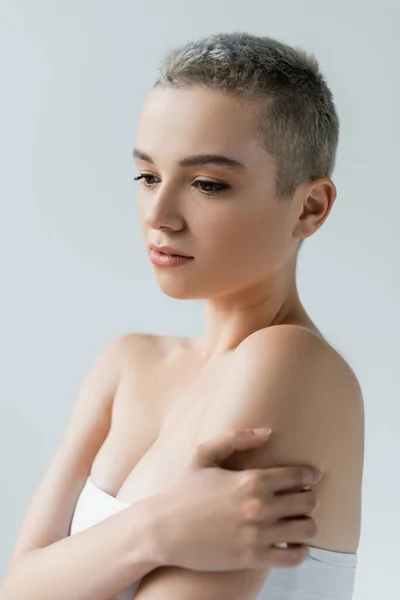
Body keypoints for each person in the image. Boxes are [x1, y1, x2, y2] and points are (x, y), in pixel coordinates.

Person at [1, 31, 364, 600]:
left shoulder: (290, 365)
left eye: (207, 184)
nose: (160, 215)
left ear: (310, 207)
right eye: (147, 176)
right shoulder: (127, 363)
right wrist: (155, 530)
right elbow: (17, 587)